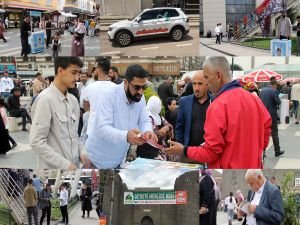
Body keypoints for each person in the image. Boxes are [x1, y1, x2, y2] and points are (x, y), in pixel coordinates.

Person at [164, 56, 272, 169]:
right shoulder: (254, 99)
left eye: (206, 77)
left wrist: (184, 150)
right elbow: (267, 125)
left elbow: (211, 153)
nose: (206, 82)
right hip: (253, 170)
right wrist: (257, 148)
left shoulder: (218, 105)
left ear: (218, 76)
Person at [85, 64, 157, 169]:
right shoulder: (108, 95)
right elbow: (102, 128)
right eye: (137, 87)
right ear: (126, 82)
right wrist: (126, 136)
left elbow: (144, 120)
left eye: (144, 87)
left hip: (119, 161)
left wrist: (147, 131)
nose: (140, 92)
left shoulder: (140, 98)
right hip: (96, 161)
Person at [29, 57, 90, 169]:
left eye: (78, 73)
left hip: (74, 166)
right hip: (54, 168)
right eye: (74, 72)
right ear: (60, 71)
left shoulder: (73, 101)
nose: (77, 78)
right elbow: (36, 142)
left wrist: (82, 152)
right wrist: (65, 164)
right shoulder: (45, 99)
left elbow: (74, 135)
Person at [175, 70, 212, 164]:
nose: (196, 88)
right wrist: (182, 147)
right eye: (194, 84)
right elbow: (179, 126)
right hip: (188, 155)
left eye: (200, 84)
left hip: (208, 155)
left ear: (207, 85)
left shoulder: (215, 102)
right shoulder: (185, 101)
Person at [136, 95, 173, 160]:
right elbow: (151, 136)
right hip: (148, 152)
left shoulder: (158, 117)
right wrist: (161, 133)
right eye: (159, 105)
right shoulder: (146, 117)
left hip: (160, 151)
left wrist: (166, 128)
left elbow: (170, 126)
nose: (161, 107)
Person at [260, 80, 284, 157]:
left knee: (263, 133)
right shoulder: (274, 91)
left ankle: (263, 152)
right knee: (274, 133)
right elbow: (278, 102)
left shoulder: (262, 90)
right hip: (271, 115)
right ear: (274, 85)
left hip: (263, 114)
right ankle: (277, 150)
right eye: (276, 85)